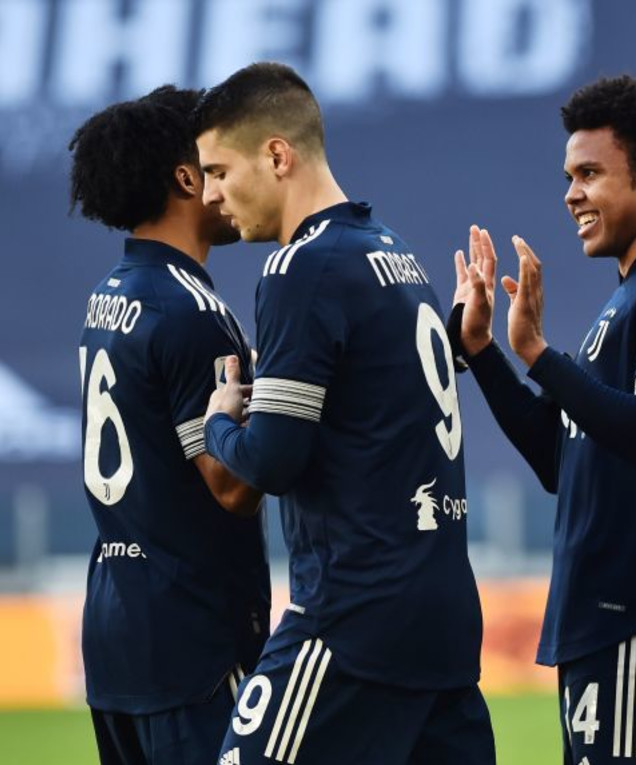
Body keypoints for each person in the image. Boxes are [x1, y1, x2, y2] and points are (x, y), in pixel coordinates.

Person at [195, 62, 493, 764]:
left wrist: (218, 423)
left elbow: (272, 460)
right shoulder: (396, 256)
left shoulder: (302, 267)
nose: (209, 196)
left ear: (277, 155)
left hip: (351, 619)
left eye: (218, 171)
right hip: (443, 618)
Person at [453, 74, 636, 764]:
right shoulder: (632, 294)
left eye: (589, 174)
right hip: (599, 624)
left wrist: (539, 355)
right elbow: (559, 458)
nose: (571, 194)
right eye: (569, 177)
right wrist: (484, 352)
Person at [70, 85, 270, 765]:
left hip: (115, 630)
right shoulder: (191, 310)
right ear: (187, 179)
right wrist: (293, 400)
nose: (226, 180)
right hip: (194, 643)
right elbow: (231, 486)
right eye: (215, 164)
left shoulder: (108, 295)